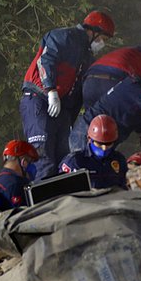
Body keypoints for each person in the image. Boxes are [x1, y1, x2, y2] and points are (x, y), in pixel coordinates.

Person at [21, 10, 115, 181]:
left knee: (64, 160)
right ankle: (42, 205)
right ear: (93, 31)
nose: (102, 44)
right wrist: (51, 91)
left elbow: (78, 90)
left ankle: (63, 202)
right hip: (39, 99)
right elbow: (46, 59)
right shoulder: (63, 37)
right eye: (103, 39)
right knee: (44, 158)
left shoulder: (86, 56)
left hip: (61, 106)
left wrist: (72, 121)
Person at [82, 41, 141, 159]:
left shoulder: (138, 52)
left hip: (89, 84)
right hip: (114, 80)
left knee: (97, 128)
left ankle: (86, 163)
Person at [60, 115, 128, 190]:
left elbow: (124, 187)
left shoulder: (119, 160)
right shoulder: (75, 162)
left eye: (108, 144)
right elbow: (63, 193)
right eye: (99, 143)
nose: (104, 148)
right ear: (89, 139)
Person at [0, 140, 39, 215]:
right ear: (23, 162)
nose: (32, 166)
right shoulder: (16, 184)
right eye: (30, 161)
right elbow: (23, 216)